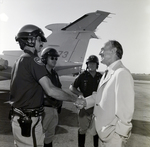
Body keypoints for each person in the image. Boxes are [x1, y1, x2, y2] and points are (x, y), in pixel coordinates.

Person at [9, 24, 77, 147]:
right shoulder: (34, 60)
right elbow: (50, 90)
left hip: (18, 118)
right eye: (39, 40)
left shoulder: (19, 61)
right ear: (30, 40)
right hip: (29, 121)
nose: (42, 44)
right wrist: (75, 99)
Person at [76, 40, 135, 147]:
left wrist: (118, 138)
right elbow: (100, 96)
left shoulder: (121, 73)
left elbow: (126, 112)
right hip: (103, 134)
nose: (100, 53)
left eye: (103, 49)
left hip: (113, 138)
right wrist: (85, 102)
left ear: (113, 51)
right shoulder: (107, 73)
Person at [69, 55, 102, 147]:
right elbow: (71, 87)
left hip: (96, 108)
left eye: (93, 63)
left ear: (97, 65)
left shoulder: (101, 76)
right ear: (87, 65)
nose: (91, 65)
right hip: (84, 107)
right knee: (82, 129)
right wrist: (79, 94)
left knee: (96, 130)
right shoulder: (83, 76)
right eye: (89, 63)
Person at [40, 47, 63, 147]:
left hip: (54, 109)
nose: (55, 60)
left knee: (50, 136)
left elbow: (59, 88)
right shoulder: (40, 72)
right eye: (52, 58)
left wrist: (60, 104)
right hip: (44, 109)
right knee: (39, 135)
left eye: (56, 58)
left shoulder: (54, 74)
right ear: (45, 58)